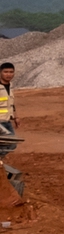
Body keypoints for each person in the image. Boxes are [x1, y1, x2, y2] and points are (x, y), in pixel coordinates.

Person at [0, 62, 20, 196]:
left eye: (11, 72)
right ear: (0, 72)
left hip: (7, 120)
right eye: (6, 72)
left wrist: (16, 117)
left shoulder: (10, 86)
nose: (8, 75)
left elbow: (11, 104)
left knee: (12, 144)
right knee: (10, 141)